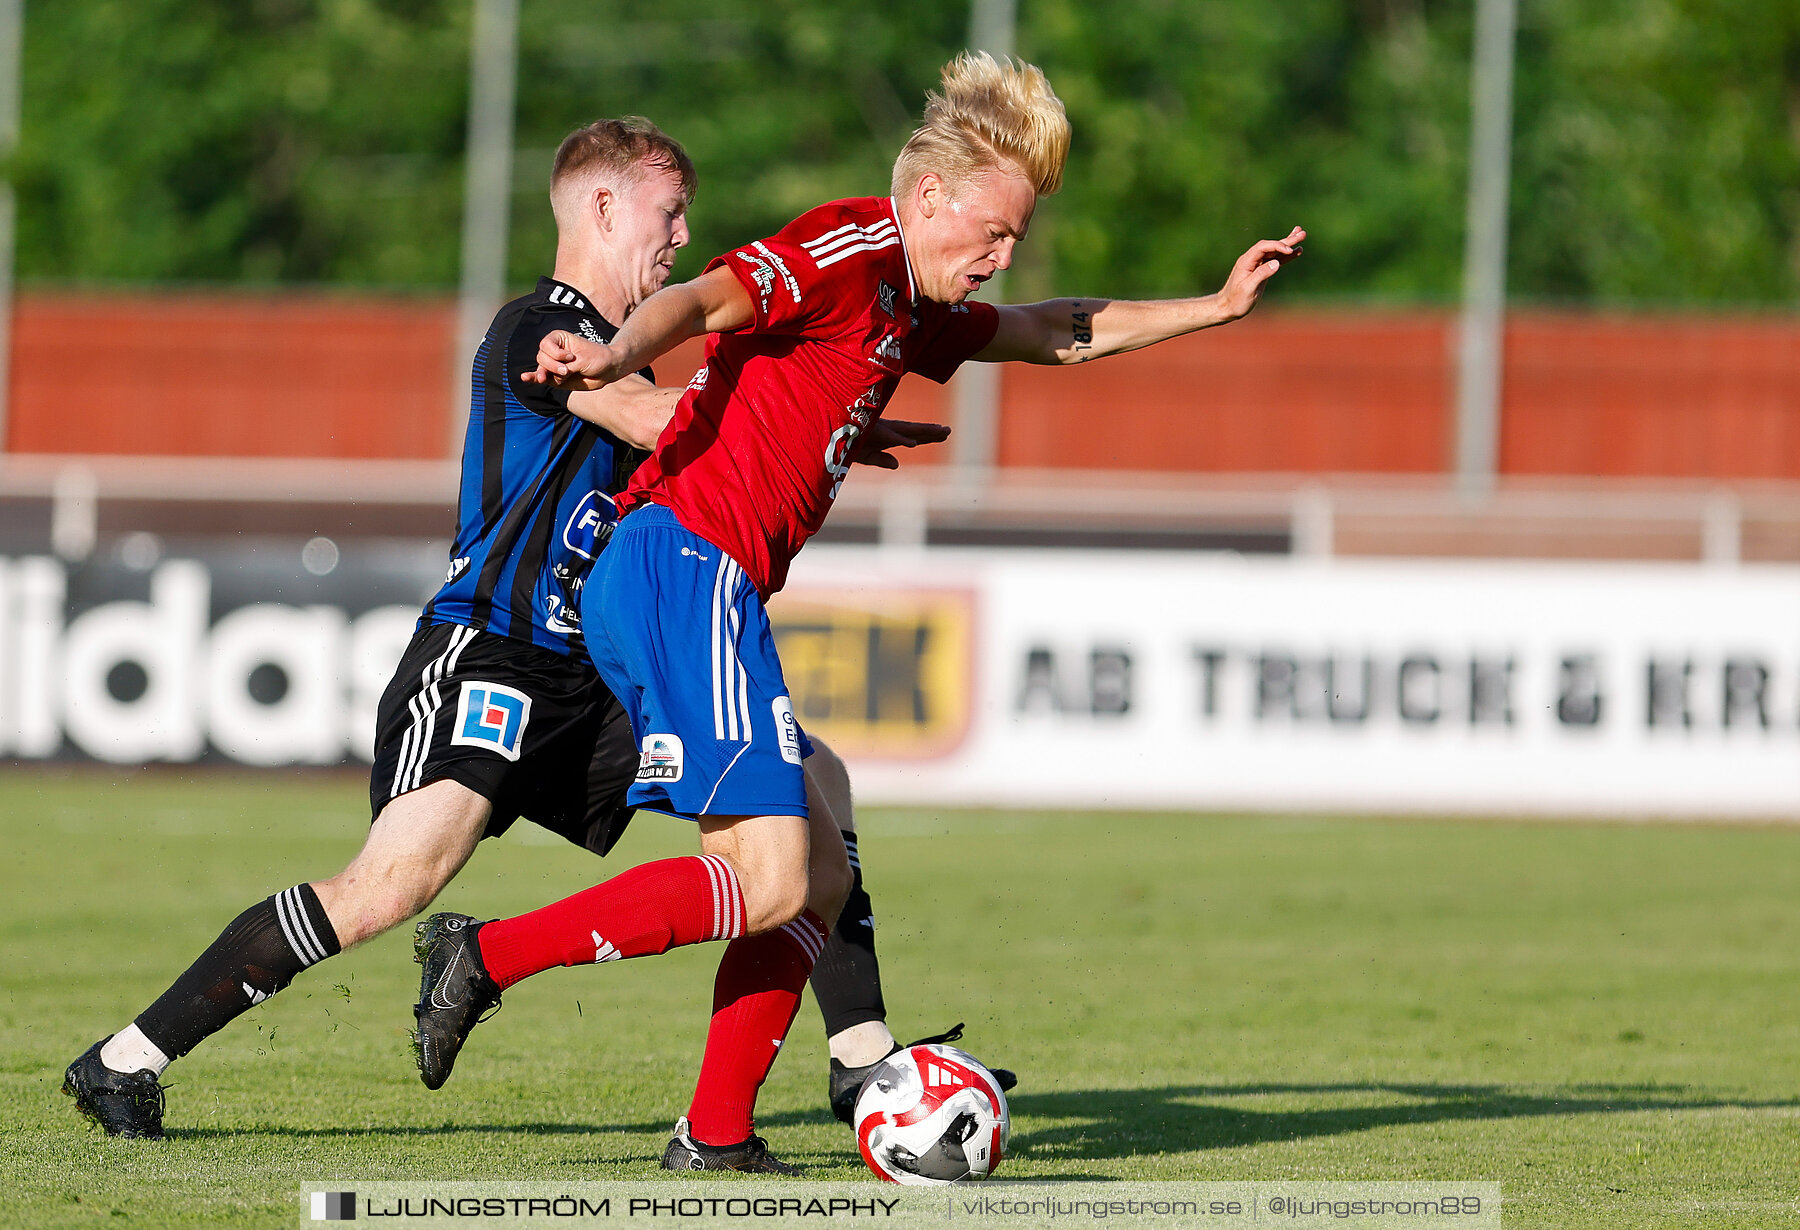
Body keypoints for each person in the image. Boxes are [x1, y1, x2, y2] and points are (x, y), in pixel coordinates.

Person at [413, 52, 1303, 1174]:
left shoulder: (908, 302)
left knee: (818, 871)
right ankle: (485, 956)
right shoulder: (852, 248)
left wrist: (1215, 309)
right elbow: (705, 297)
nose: (1002, 256)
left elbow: (1053, 329)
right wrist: (616, 351)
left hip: (696, 577)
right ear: (929, 198)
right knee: (776, 877)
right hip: (681, 563)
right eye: (991, 231)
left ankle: (719, 1134)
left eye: (1015, 238)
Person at [58, 117, 968, 1141]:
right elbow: (653, 419)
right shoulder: (541, 327)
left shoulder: (626, 348)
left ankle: (863, 1062)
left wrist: (819, 415)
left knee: (813, 794)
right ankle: (124, 1059)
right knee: (389, 886)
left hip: (594, 674)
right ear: (602, 207)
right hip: (489, 652)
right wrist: (817, 411)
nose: (679, 238)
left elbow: (693, 422)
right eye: (668, 215)